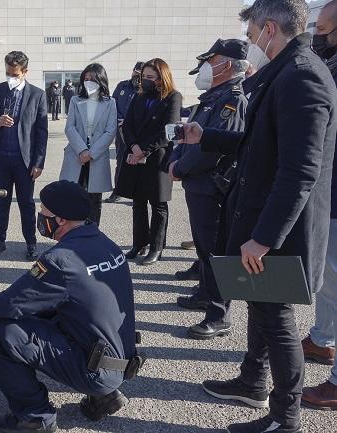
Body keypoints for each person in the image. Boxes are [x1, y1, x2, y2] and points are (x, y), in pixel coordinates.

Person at [181, 1, 337, 431]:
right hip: (262, 219)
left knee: (278, 319)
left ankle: (285, 418)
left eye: (251, 33)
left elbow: (300, 170)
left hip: (277, 230)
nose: (249, 41)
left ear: (270, 28)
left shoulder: (302, 76)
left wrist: (264, 237)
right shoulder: (286, 71)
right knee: (262, 308)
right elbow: (259, 142)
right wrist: (206, 135)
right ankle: (252, 381)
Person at [0, 180, 137, 433]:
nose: (39, 216)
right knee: (55, 309)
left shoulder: (61, 261)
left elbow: (14, 302)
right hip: (120, 360)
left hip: (97, 370)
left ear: (59, 220)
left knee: (3, 330)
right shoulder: (106, 244)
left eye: (43, 212)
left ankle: (35, 419)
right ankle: (106, 396)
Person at [169, 39, 249, 339]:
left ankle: (219, 315)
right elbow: (188, 137)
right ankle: (205, 294)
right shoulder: (212, 97)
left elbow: (212, 150)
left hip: (214, 186)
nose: (204, 66)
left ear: (226, 64)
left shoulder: (232, 99)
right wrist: (176, 160)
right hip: (198, 184)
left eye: (210, 60)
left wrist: (180, 167)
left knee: (216, 252)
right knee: (204, 249)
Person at [300, 0, 337, 411]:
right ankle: (324, 338)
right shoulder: (329, 68)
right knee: (330, 277)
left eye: (325, 30)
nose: (319, 38)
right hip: (330, 193)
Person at [0, 51, 49, 260]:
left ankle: (31, 243)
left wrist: (38, 162)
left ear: (25, 72)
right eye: (8, 73)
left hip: (25, 161)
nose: (11, 77)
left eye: (15, 74)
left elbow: (41, 132)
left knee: (26, 203)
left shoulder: (37, 95)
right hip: (1, 158)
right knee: (1, 202)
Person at [117, 59, 182, 266]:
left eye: (150, 77)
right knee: (138, 202)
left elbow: (169, 131)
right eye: (144, 77)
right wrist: (135, 148)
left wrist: (144, 150)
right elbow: (127, 126)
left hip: (157, 158)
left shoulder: (173, 97)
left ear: (162, 78)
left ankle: (156, 247)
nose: (145, 81)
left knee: (158, 204)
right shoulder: (139, 97)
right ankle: (139, 243)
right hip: (136, 156)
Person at [60, 63, 117, 225]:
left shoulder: (110, 103)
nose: (88, 82)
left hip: (96, 157)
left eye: (92, 79)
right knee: (73, 198)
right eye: (86, 79)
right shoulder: (75, 100)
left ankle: (92, 236)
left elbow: (110, 131)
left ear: (101, 80)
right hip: (76, 155)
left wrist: (91, 153)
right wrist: (82, 150)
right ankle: (72, 236)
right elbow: (69, 127)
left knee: (94, 201)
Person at [105, 61, 144, 204]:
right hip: (121, 131)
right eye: (136, 71)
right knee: (120, 161)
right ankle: (118, 191)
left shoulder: (144, 89)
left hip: (137, 133)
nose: (137, 74)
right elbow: (112, 105)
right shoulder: (122, 86)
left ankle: (136, 193)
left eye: (140, 72)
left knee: (138, 161)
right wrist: (118, 121)